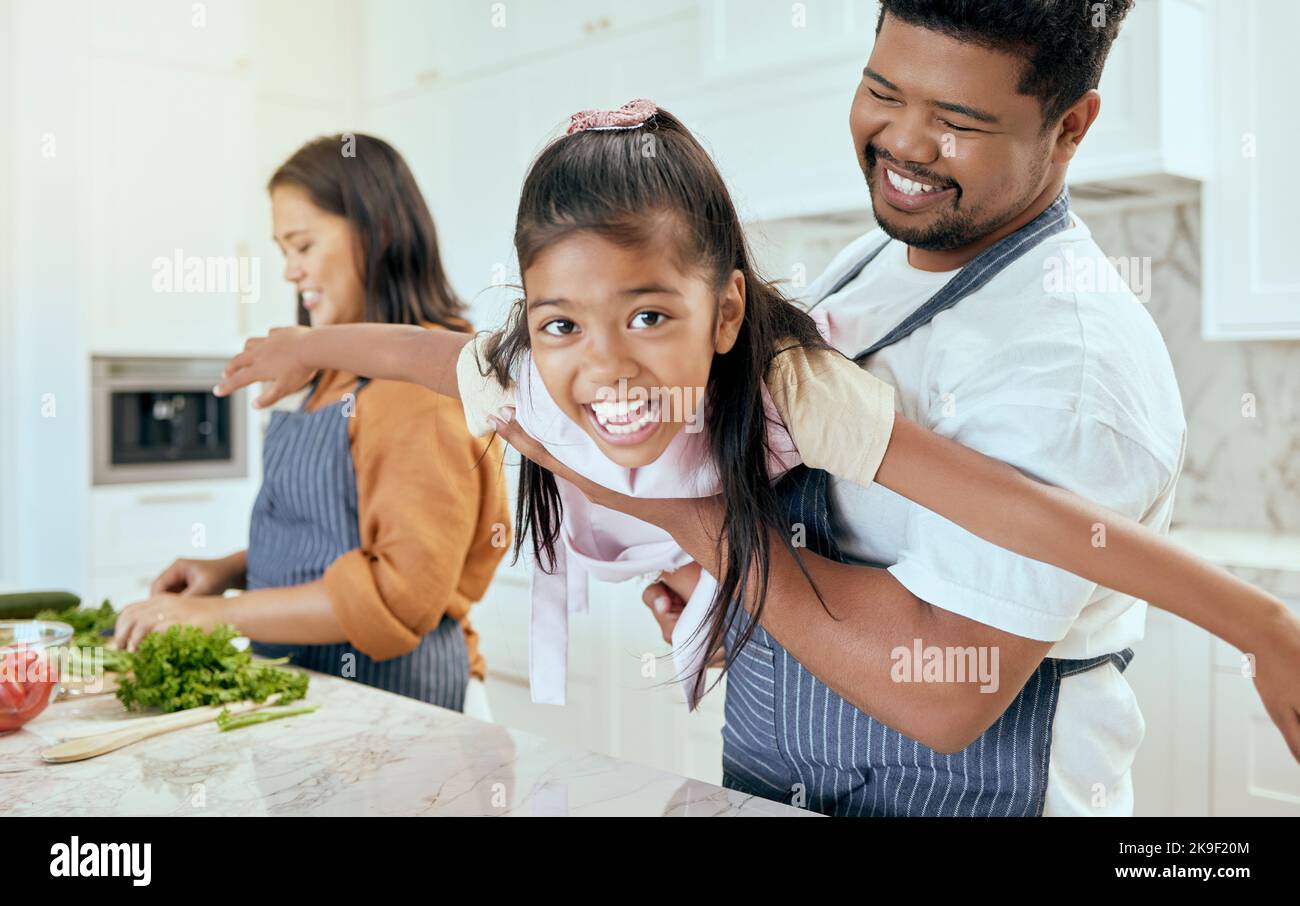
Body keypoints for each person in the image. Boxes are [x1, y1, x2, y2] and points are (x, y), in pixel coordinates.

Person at [214, 101, 1300, 820]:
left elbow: (1035, 518)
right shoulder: (534, 372)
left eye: (649, 313)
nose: (604, 371)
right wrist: (306, 345)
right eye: (562, 326)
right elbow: (433, 352)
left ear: (726, 308)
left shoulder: (795, 392)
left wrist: (1261, 626)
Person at [115, 134, 511, 714]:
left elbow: (397, 595)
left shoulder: (419, 386)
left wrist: (217, 615)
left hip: (399, 705)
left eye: (301, 245)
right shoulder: (335, 375)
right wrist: (229, 569)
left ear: (377, 234)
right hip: (317, 692)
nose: (289, 272)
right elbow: (344, 537)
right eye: (282, 250)